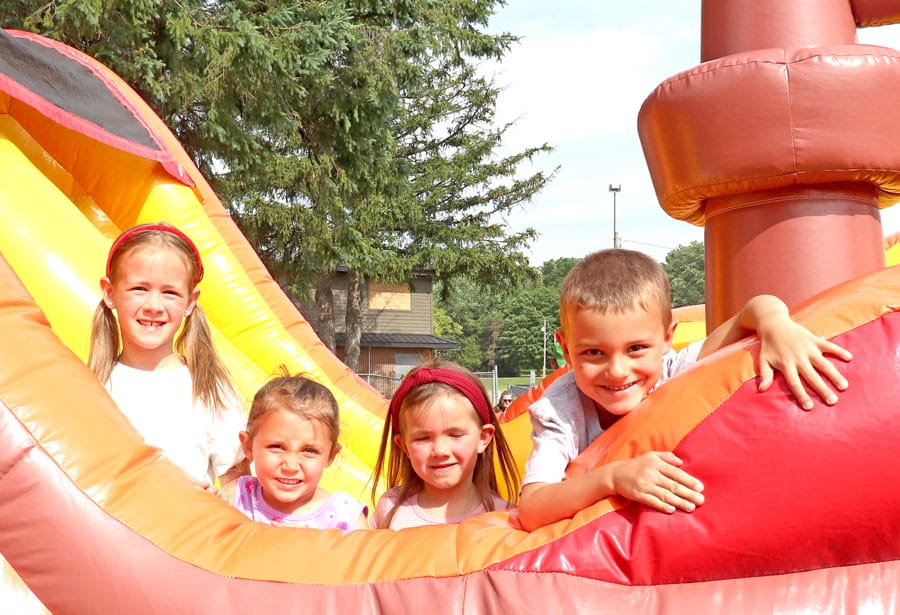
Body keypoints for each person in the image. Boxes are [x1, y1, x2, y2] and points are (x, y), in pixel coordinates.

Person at [518, 248, 853, 531]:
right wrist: (613, 477)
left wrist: (776, 324)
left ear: (667, 339)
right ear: (564, 348)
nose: (617, 371)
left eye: (636, 349)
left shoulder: (674, 368)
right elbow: (532, 508)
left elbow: (753, 309)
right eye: (593, 353)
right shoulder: (561, 410)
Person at [88, 223, 245, 490]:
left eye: (170, 292)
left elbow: (238, 486)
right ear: (110, 292)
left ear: (190, 301)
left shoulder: (209, 389)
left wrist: (221, 500)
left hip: (190, 528)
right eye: (139, 289)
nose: (153, 306)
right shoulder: (91, 385)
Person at [370, 361, 520, 529]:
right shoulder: (390, 509)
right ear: (403, 445)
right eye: (423, 438)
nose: (440, 451)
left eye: (455, 435)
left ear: (483, 438)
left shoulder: (506, 518)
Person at [229, 372, 368, 530]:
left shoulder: (346, 518)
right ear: (248, 446)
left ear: (331, 455)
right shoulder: (236, 499)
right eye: (277, 447)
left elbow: (366, 555)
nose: (290, 466)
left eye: (309, 450)